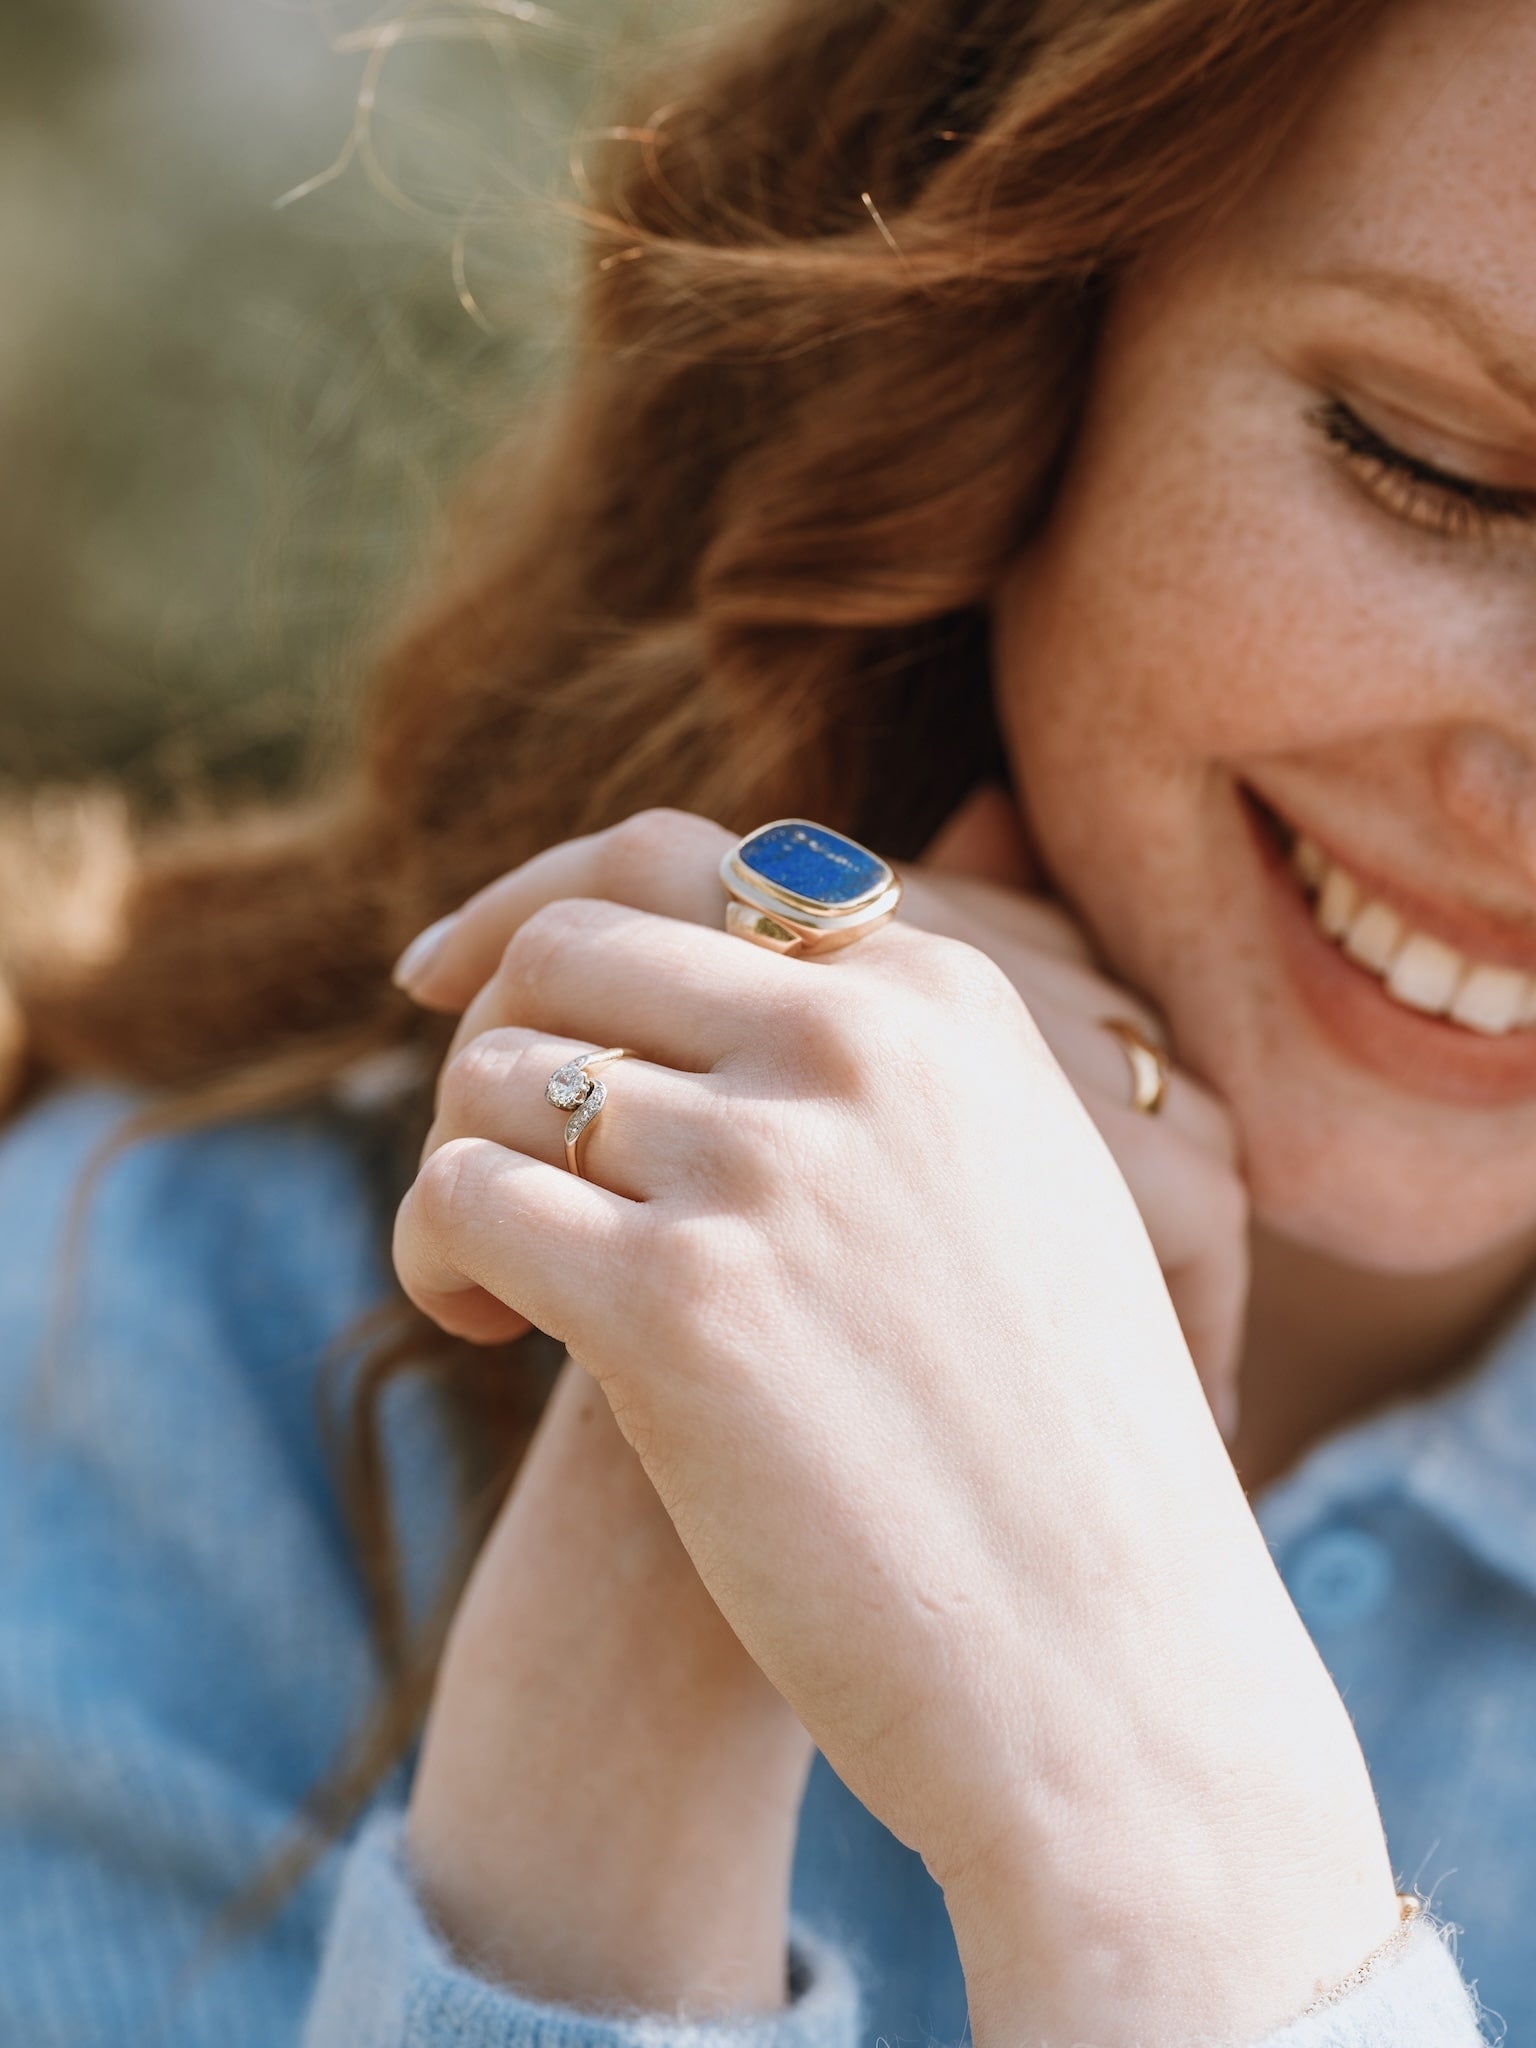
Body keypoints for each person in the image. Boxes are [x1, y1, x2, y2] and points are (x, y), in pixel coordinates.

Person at [2, 0, 1532, 2038]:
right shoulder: (140, 1339)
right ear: (1020, 333)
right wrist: (648, 1544)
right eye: (1428, 465)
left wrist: (1171, 1846)